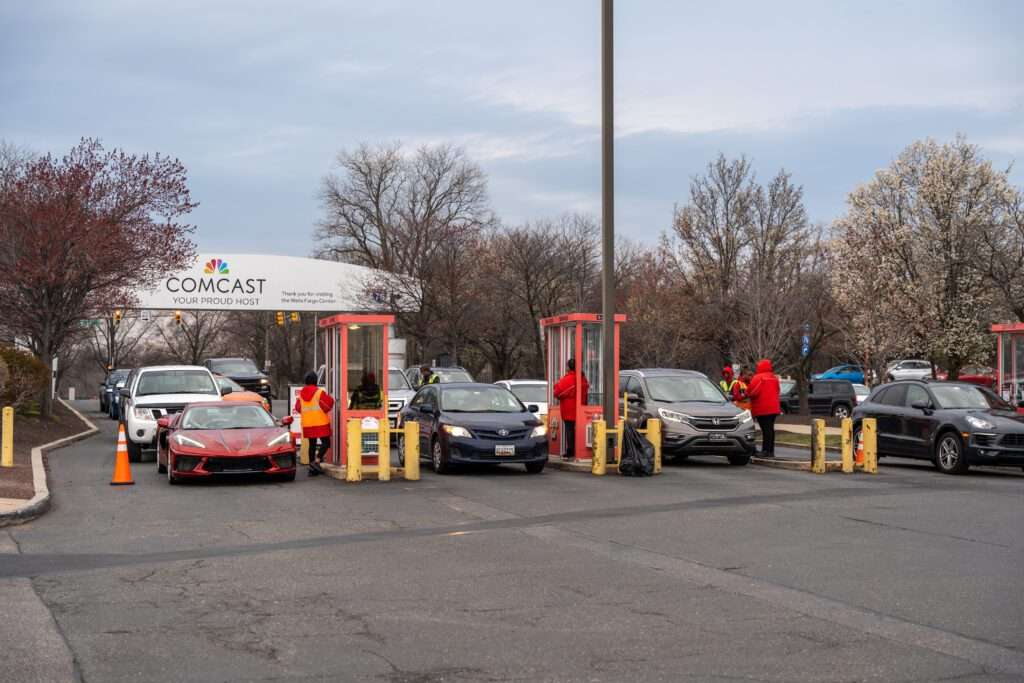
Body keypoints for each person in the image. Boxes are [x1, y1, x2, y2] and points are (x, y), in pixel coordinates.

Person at [294, 371, 335, 476]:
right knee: (326, 443)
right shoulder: (319, 392)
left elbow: (298, 408)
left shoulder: (301, 394)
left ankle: (312, 469)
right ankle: (317, 461)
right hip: (320, 422)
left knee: (312, 445)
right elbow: (329, 404)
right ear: (316, 381)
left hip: (308, 424)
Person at [553, 359, 589, 460]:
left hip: (569, 408)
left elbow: (557, 392)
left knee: (569, 429)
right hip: (581, 407)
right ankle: (579, 449)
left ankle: (570, 450)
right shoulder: (583, 378)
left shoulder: (568, 378)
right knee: (578, 429)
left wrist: (556, 385)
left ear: (569, 367)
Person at [745, 358, 781, 458]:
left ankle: (765, 451)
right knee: (770, 430)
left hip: (762, 408)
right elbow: (778, 390)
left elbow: (751, 392)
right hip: (774, 408)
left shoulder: (758, 378)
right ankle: (770, 451)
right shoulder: (774, 378)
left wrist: (746, 393)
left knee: (766, 430)